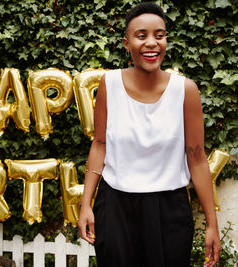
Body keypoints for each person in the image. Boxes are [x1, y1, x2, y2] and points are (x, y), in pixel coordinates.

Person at [77, 2, 221, 267]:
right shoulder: (109, 84)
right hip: (115, 206)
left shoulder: (185, 91)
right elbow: (99, 144)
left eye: (160, 35)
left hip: (169, 210)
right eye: (141, 35)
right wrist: (86, 204)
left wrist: (212, 223)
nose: (152, 43)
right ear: (126, 43)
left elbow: (197, 158)